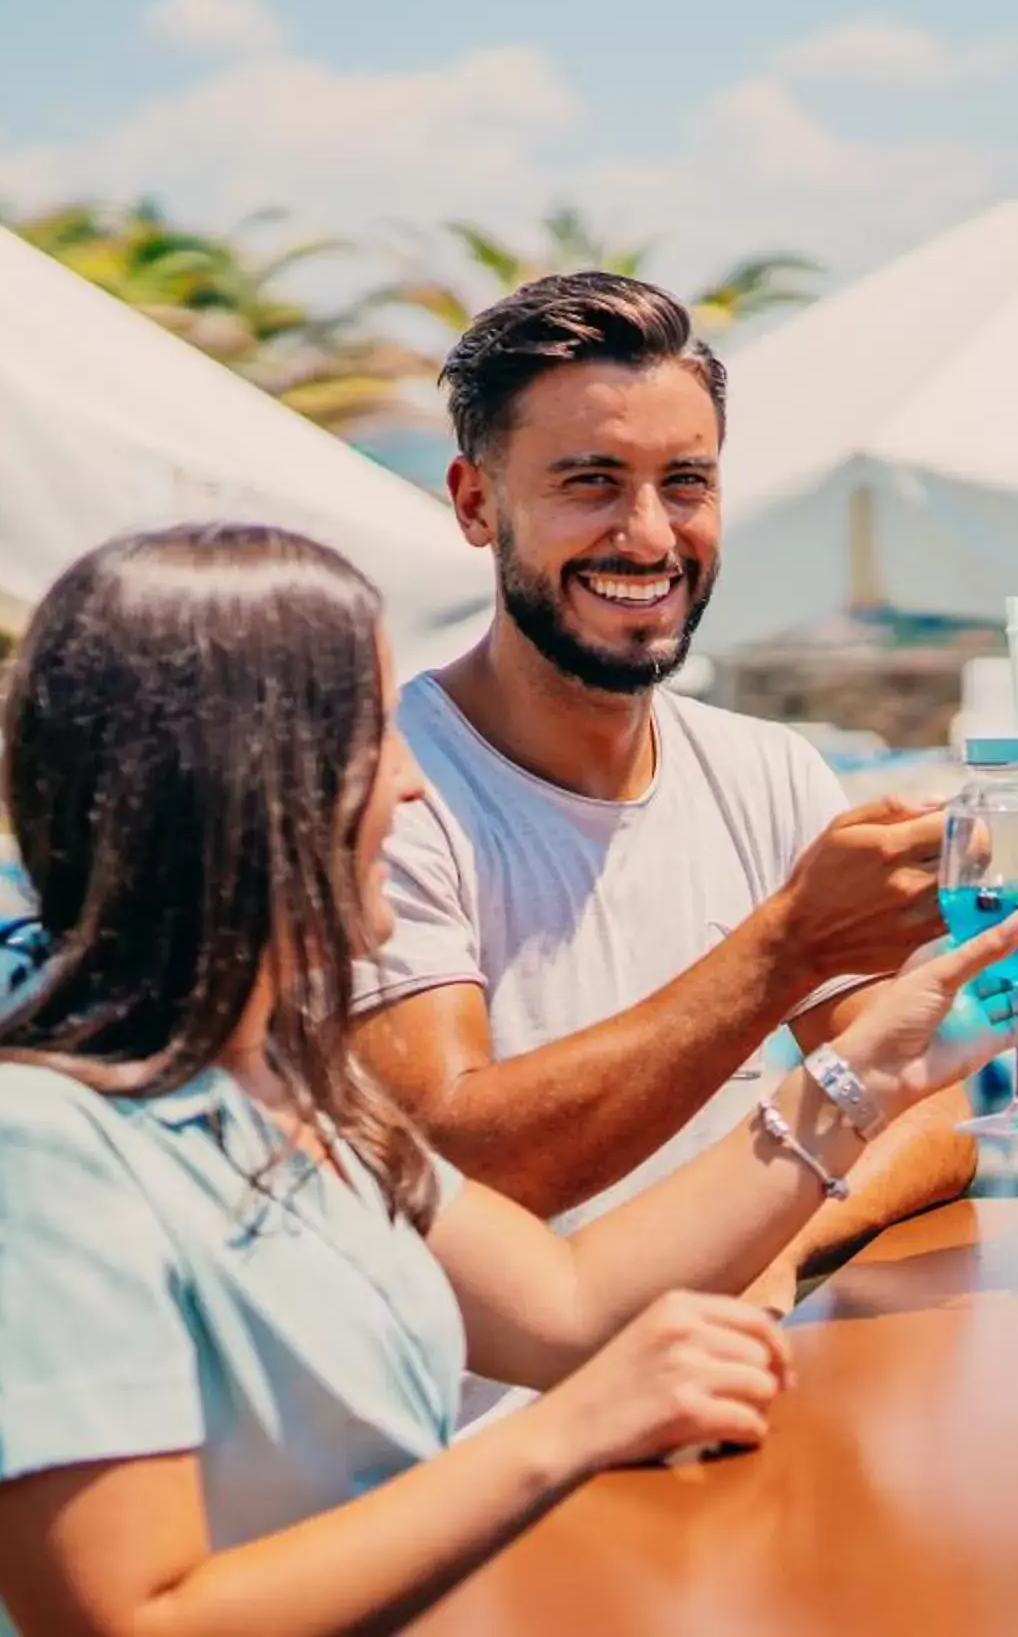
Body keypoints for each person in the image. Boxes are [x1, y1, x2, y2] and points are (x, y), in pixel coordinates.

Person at [0, 524, 1018, 1637]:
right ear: (245, 775)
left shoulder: (282, 1093)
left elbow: (571, 1302)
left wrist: (864, 1073)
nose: (415, 785)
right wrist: (571, 1432)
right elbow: (130, 1619)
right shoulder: (21, 1155)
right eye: (376, 734)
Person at [346, 273, 966, 1402]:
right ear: (476, 504)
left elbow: (930, 1108)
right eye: (590, 483)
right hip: (476, 1482)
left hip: (710, 1424)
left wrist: (770, 1255)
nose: (646, 534)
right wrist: (786, 948)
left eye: (685, 482)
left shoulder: (769, 771)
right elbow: (451, 1163)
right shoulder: (388, 791)